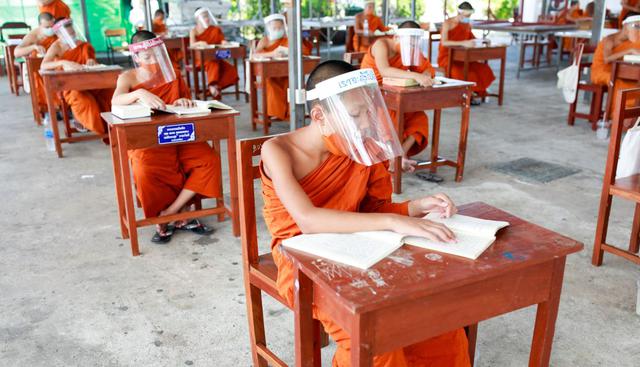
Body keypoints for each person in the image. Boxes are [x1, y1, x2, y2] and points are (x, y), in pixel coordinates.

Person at [260, 60, 470, 367]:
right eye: (356, 115)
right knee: (374, 341)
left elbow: (372, 209)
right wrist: (394, 221)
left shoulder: (361, 147)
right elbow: (308, 220)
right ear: (320, 116)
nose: (365, 124)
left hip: (363, 247)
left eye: (367, 112)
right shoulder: (278, 152)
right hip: (302, 262)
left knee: (438, 321)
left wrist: (416, 208)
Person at [112, 30, 218, 243]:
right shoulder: (128, 77)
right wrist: (139, 93)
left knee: (209, 160)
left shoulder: (172, 73)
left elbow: (184, 100)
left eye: (157, 55)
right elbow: (115, 101)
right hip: (148, 140)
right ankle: (166, 215)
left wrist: (183, 102)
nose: (153, 60)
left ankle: (172, 211)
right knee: (143, 170)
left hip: (179, 134)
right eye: (147, 56)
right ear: (136, 57)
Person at [360, 20, 436, 176]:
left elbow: (426, 68)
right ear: (396, 37)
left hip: (395, 95)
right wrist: (416, 75)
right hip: (372, 95)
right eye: (409, 45)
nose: (412, 49)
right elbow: (385, 70)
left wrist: (425, 76)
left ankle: (400, 154)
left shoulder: (409, 51)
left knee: (419, 117)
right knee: (387, 117)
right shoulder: (381, 45)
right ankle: (391, 156)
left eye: (414, 46)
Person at [41, 18, 113, 135]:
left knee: (110, 92)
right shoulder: (56, 47)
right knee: (85, 101)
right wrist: (62, 62)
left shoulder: (82, 45)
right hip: (70, 86)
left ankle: (114, 126)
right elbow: (44, 65)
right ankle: (100, 129)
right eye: (68, 34)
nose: (72, 36)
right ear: (59, 34)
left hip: (90, 82)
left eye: (73, 33)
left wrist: (91, 61)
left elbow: (90, 62)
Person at [255, 13, 312, 121]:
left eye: (280, 27)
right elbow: (255, 55)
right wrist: (272, 54)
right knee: (271, 84)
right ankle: (276, 112)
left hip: (287, 72)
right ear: (269, 28)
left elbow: (304, 52)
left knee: (294, 83)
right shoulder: (265, 40)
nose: (277, 30)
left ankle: (291, 112)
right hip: (270, 74)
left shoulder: (288, 39)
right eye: (275, 28)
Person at [438, 1, 495, 104]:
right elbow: (444, 42)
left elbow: (471, 38)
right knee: (459, 72)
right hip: (448, 57)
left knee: (482, 69)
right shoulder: (448, 23)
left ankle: (475, 93)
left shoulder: (466, 24)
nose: (467, 17)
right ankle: (466, 96)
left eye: (469, 15)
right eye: (466, 15)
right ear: (459, 13)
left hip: (463, 57)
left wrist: (483, 40)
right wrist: (463, 43)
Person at [591, 13, 640, 126]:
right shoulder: (610, 39)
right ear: (626, 26)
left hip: (619, 70)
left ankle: (630, 116)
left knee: (633, 81)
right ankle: (615, 115)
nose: (638, 31)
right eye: (636, 26)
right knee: (616, 80)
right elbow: (607, 59)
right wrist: (629, 50)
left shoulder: (632, 42)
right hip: (602, 70)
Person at [189, 7, 238, 99]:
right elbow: (191, 45)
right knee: (213, 63)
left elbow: (222, 43)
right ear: (197, 19)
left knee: (231, 71)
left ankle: (210, 90)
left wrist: (224, 42)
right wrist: (199, 43)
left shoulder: (215, 29)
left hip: (217, 55)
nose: (207, 19)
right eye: (204, 17)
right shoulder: (194, 31)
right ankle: (212, 86)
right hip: (201, 59)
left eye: (207, 16)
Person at [15, 12, 57, 117]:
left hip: (55, 64)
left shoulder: (57, 31)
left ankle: (62, 106)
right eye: (47, 27)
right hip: (38, 67)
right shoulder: (33, 35)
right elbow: (17, 52)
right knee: (40, 80)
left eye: (52, 26)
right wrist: (33, 47)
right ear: (40, 25)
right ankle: (49, 108)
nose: (50, 29)